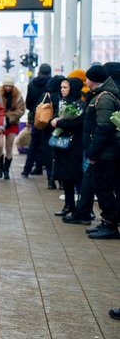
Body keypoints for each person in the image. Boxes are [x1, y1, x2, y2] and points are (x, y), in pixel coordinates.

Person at [64, 64, 120, 237]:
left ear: (93, 80)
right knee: (101, 186)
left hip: (105, 152)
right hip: (102, 151)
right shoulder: (99, 96)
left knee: (104, 188)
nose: (85, 80)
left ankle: (110, 225)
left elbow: (103, 129)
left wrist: (94, 153)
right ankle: (106, 222)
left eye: (87, 77)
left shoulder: (104, 99)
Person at [50, 77, 86, 217]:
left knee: (76, 176)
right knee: (65, 176)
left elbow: (77, 124)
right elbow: (57, 118)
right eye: (61, 87)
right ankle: (69, 205)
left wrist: (59, 123)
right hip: (62, 144)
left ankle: (83, 207)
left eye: (65, 87)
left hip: (74, 145)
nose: (62, 90)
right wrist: (54, 120)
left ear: (73, 88)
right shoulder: (63, 102)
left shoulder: (80, 104)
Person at [22, 62, 53, 177]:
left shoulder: (32, 84)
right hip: (49, 118)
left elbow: (29, 104)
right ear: (50, 73)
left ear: (39, 72)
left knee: (34, 144)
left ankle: (27, 169)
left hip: (36, 118)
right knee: (47, 144)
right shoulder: (52, 84)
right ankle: (48, 172)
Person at [0, 74, 25, 179]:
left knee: (9, 147)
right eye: (6, 85)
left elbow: (21, 110)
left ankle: (6, 170)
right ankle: (0, 168)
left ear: (12, 86)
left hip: (12, 123)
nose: (7, 88)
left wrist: (10, 117)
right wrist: (1, 118)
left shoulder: (18, 95)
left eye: (9, 86)